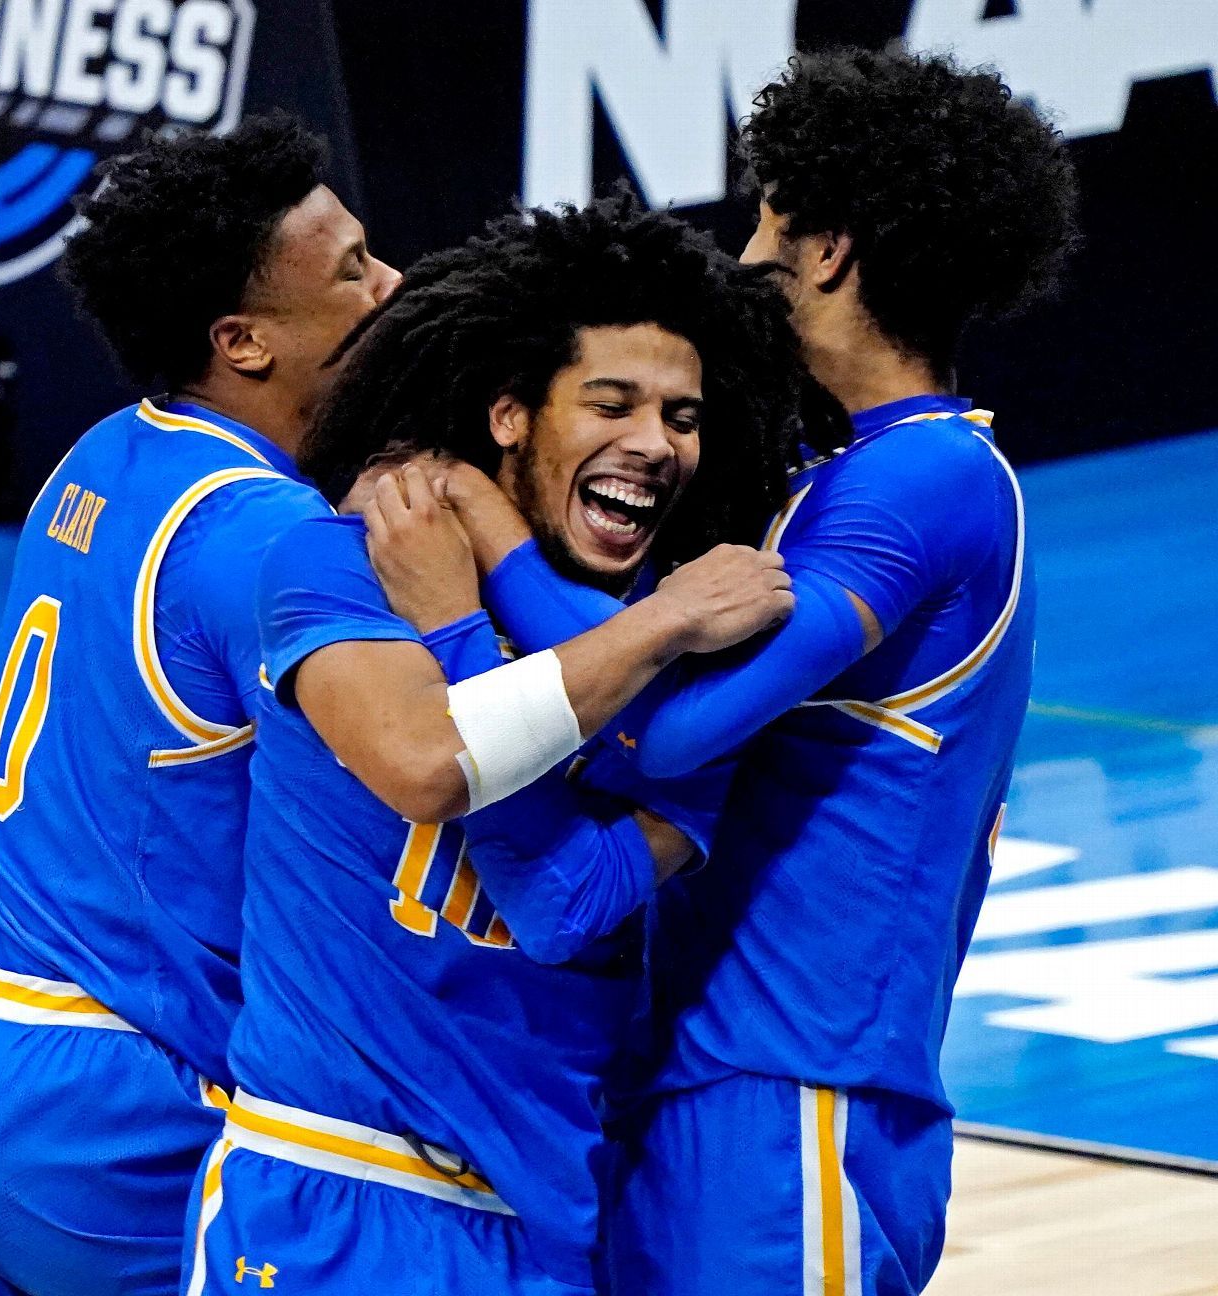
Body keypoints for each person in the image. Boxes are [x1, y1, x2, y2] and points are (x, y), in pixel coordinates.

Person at [414, 48, 1080, 1296]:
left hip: (796, 1093)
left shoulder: (927, 479)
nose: (749, 256)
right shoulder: (833, 472)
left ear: (827, 249)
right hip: (709, 1070)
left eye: (770, 222)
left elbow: (665, 735)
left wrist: (486, 539)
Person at [180, 193, 807, 1296]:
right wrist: (650, 624)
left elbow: (564, 903)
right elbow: (428, 765)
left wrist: (472, 626)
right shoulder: (341, 562)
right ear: (511, 416)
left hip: (544, 1221)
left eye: (683, 416)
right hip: (336, 1192)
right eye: (611, 403)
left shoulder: (703, 669)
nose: (653, 443)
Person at [0, 114, 400, 1296]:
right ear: (242, 341)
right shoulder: (267, 536)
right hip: (103, 1106)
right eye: (353, 270)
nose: (393, 285)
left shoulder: (98, 451)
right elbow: (424, 765)